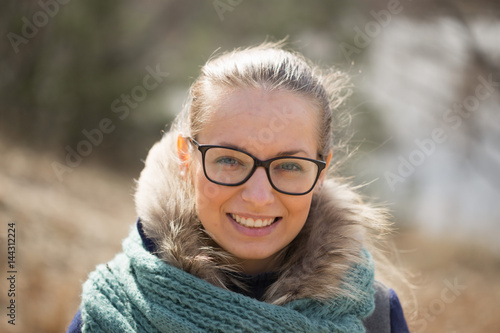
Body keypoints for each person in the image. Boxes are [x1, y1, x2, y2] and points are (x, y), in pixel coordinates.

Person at [67, 41, 410, 332]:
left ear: (321, 174)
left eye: (289, 166)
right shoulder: (113, 309)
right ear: (188, 159)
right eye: (230, 160)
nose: (258, 197)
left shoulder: (376, 318)